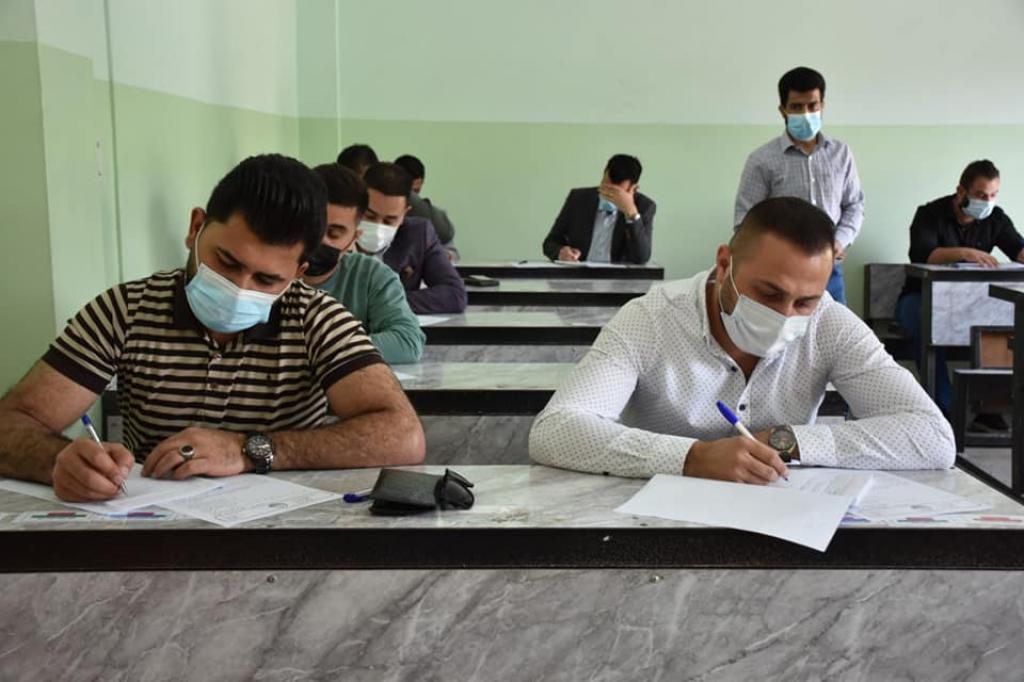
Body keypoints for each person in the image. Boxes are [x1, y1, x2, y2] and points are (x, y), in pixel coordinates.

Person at [0, 154, 424, 501]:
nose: (239, 288)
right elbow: (11, 423)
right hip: (150, 529)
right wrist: (57, 461)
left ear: (298, 272)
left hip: (283, 531)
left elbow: (402, 435)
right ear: (195, 228)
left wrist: (249, 449)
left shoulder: (317, 320)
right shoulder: (124, 310)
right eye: (227, 262)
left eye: (267, 280)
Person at [530, 197, 954, 482]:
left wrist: (786, 441)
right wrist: (692, 457)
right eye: (768, 294)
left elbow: (932, 437)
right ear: (724, 264)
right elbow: (555, 430)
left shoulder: (830, 324)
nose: (784, 315)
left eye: (804, 302)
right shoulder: (650, 319)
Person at [896, 159, 1024, 423]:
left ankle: (990, 410)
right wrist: (965, 253)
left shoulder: (996, 218)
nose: (987, 201)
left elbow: (1018, 249)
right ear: (961, 191)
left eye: (993, 195)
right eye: (981, 195)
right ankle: (946, 409)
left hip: (972, 303)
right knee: (927, 322)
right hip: (919, 298)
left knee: (1002, 323)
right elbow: (923, 254)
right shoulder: (929, 214)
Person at [734, 66, 864, 305]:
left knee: (835, 328)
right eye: (796, 107)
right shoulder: (762, 160)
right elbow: (745, 221)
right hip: (779, 272)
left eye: (812, 105)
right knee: (784, 328)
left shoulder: (841, 154)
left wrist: (840, 241)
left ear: (822, 105)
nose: (806, 113)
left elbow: (854, 205)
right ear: (782, 109)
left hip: (829, 268)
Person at [302, 163, 425, 364]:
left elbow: (407, 342)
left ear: (353, 237)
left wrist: (327, 349)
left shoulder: (372, 276)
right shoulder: (267, 268)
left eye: (334, 233)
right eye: (314, 228)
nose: (320, 240)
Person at [358, 162, 467, 314]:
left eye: (389, 221)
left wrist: (384, 303)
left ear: (404, 214)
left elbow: (454, 295)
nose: (378, 226)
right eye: (369, 216)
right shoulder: (336, 232)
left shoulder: (418, 234)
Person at [541, 154, 656, 264]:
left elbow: (641, 257)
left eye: (616, 192)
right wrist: (561, 252)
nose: (607, 194)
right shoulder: (578, 199)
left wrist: (631, 213)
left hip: (618, 276)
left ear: (633, 189)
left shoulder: (645, 206)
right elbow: (550, 242)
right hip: (579, 274)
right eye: (605, 186)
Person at [394, 154, 458, 260]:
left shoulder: (431, 217)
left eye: (416, 191)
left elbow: (452, 252)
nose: (412, 198)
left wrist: (446, 255)